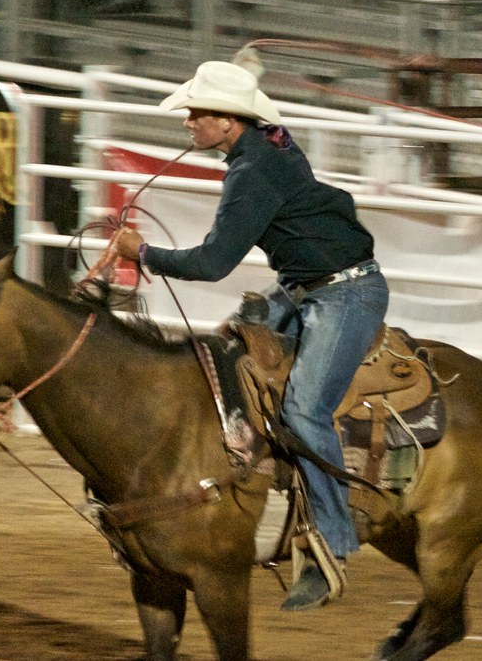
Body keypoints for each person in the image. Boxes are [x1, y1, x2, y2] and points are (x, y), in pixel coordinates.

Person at [112, 60, 389, 611]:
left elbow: (214, 262)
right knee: (229, 353)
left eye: (198, 113)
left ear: (230, 121)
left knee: (307, 409)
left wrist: (141, 253)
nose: (188, 121)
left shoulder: (253, 171)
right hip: (309, 286)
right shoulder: (269, 142)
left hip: (343, 294)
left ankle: (333, 541)